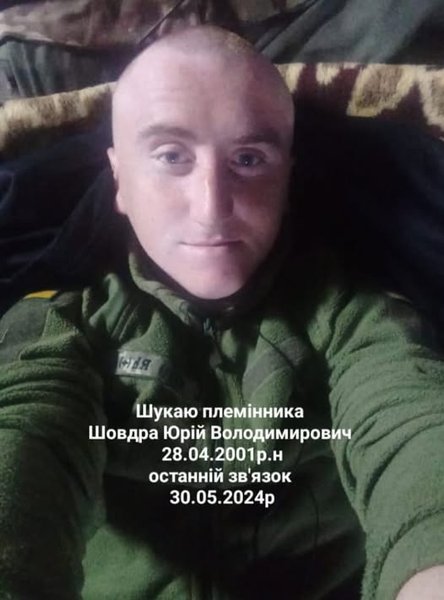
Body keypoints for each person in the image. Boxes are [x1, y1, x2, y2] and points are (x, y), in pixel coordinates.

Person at [0, 25, 444, 600]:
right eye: (171, 156)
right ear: (119, 179)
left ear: (287, 176)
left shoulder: (353, 315)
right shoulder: (61, 323)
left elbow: (412, 432)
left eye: (249, 158)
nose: (212, 205)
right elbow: (25, 441)